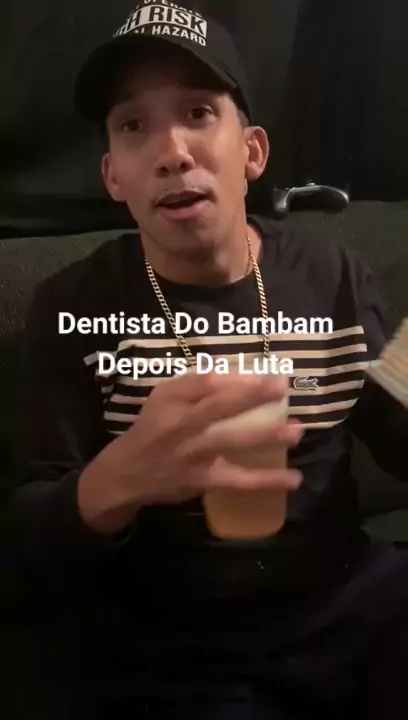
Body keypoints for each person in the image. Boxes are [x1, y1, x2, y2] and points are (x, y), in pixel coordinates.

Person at [7, 3, 408, 718]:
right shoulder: (72, 305)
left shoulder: (332, 273)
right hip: (178, 646)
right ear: (114, 176)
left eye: (197, 112)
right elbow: (23, 546)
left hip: (350, 604)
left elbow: (397, 438)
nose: (171, 151)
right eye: (134, 126)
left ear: (252, 152)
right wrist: (118, 479)